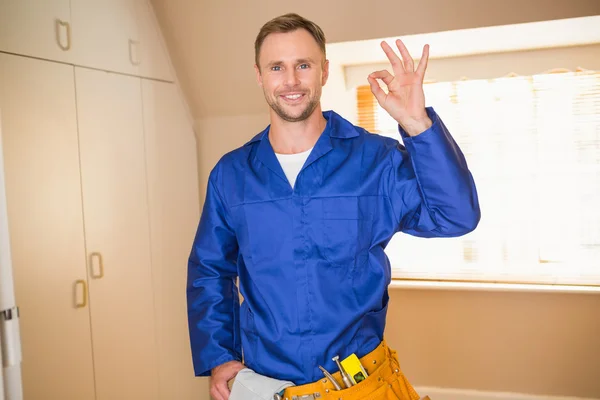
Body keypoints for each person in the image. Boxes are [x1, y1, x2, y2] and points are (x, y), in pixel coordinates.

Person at [187, 12, 480, 400]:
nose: (290, 81)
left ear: (324, 71)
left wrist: (417, 125)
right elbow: (209, 271)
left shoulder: (376, 161)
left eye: (303, 65)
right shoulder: (231, 174)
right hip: (267, 388)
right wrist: (219, 356)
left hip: (363, 385)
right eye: (277, 67)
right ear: (259, 75)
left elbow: (455, 216)